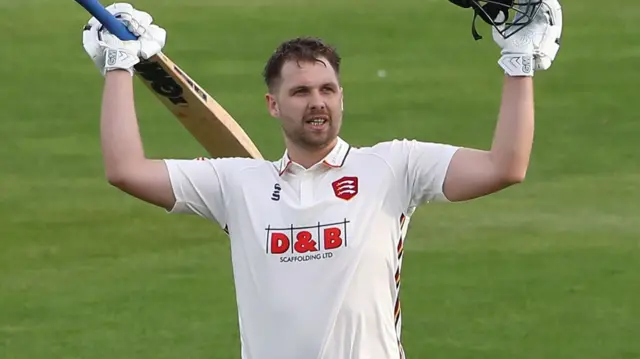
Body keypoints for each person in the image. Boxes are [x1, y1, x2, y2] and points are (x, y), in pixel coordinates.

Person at [81, 1, 562, 358]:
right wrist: (120, 65)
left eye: (328, 89)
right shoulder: (237, 185)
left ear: (342, 98)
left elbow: (505, 167)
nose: (318, 102)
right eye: (301, 92)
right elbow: (126, 170)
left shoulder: (394, 167)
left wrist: (518, 62)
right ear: (273, 105)